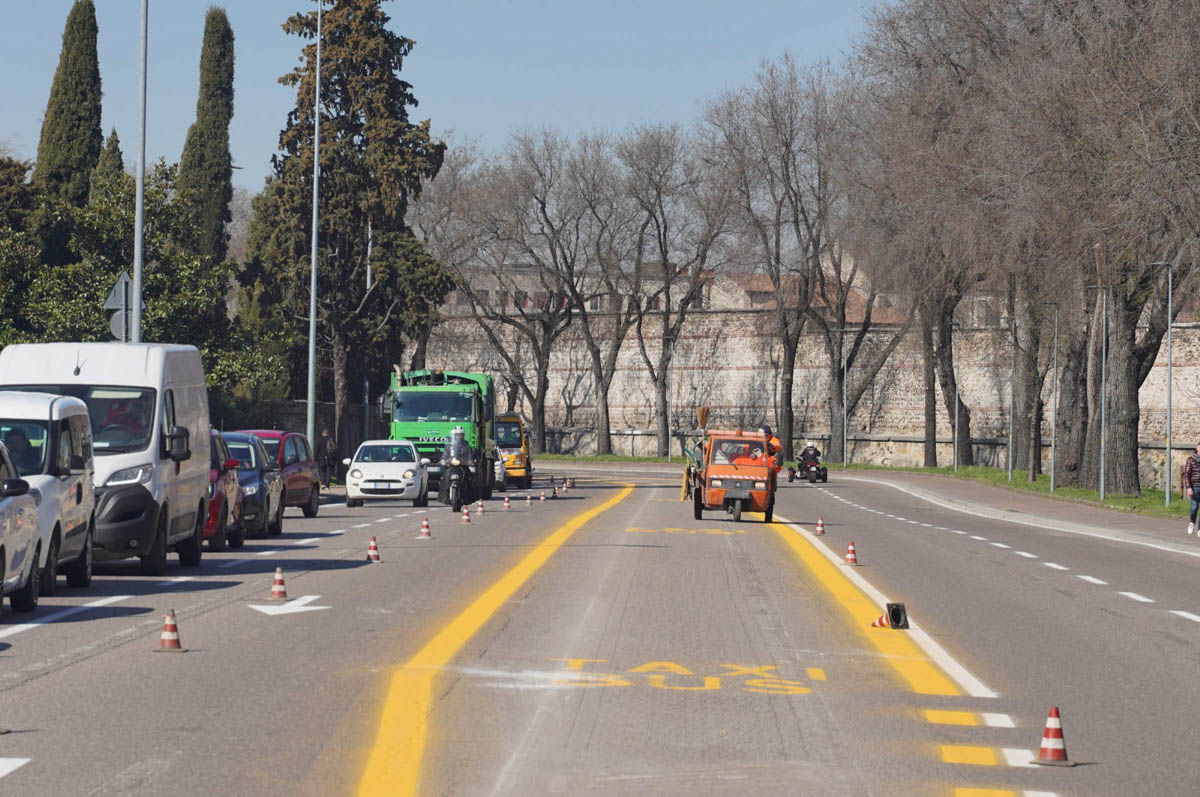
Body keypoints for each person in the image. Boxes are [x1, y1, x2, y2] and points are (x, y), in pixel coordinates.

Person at [1184, 442, 1200, 535]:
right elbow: (1186, 474)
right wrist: (1189, 487)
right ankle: (1192, 522)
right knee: (1194, 508)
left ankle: (1199, 529)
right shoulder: (1191, 460)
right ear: (1197, 448)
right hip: (1195, 487)